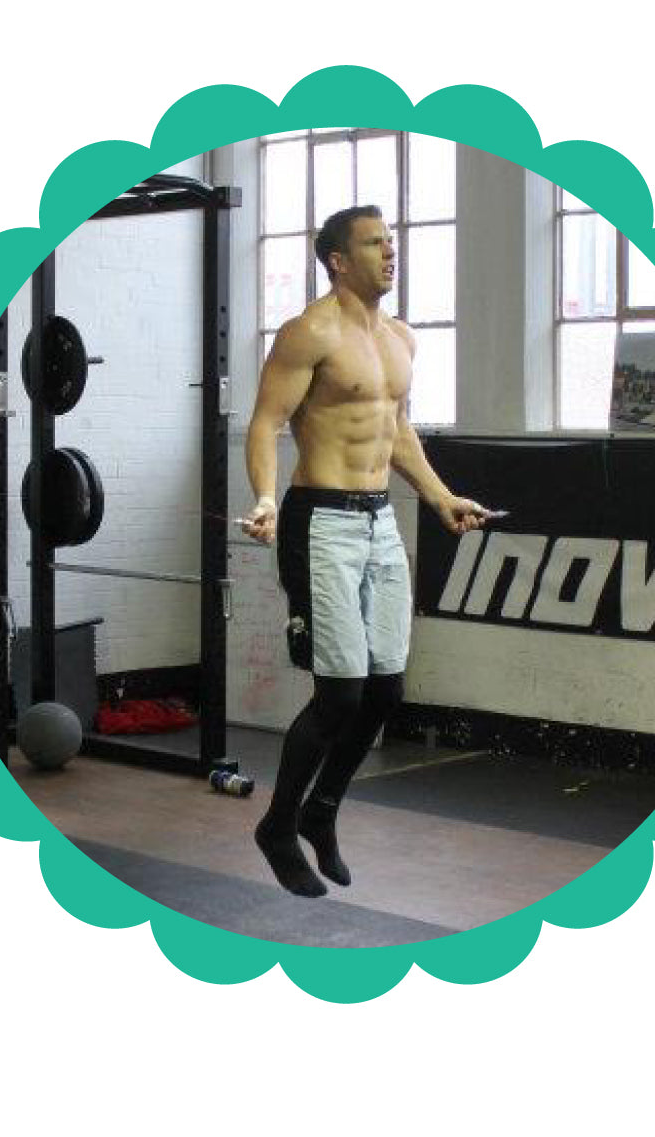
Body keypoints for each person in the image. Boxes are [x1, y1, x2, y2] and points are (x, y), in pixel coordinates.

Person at [243, 204, 489, 897]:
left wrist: (439, 497)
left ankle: (321, 812)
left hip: (381, 520)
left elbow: (396, 429)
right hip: (320, 520)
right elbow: (265, 423)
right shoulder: (309, 333)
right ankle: (278, 826)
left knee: (385, 689)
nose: (390, 252)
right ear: (338, 260)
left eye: (392, 241)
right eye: (375, 243)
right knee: (340, 693)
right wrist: (265, 497)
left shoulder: (401, 338)